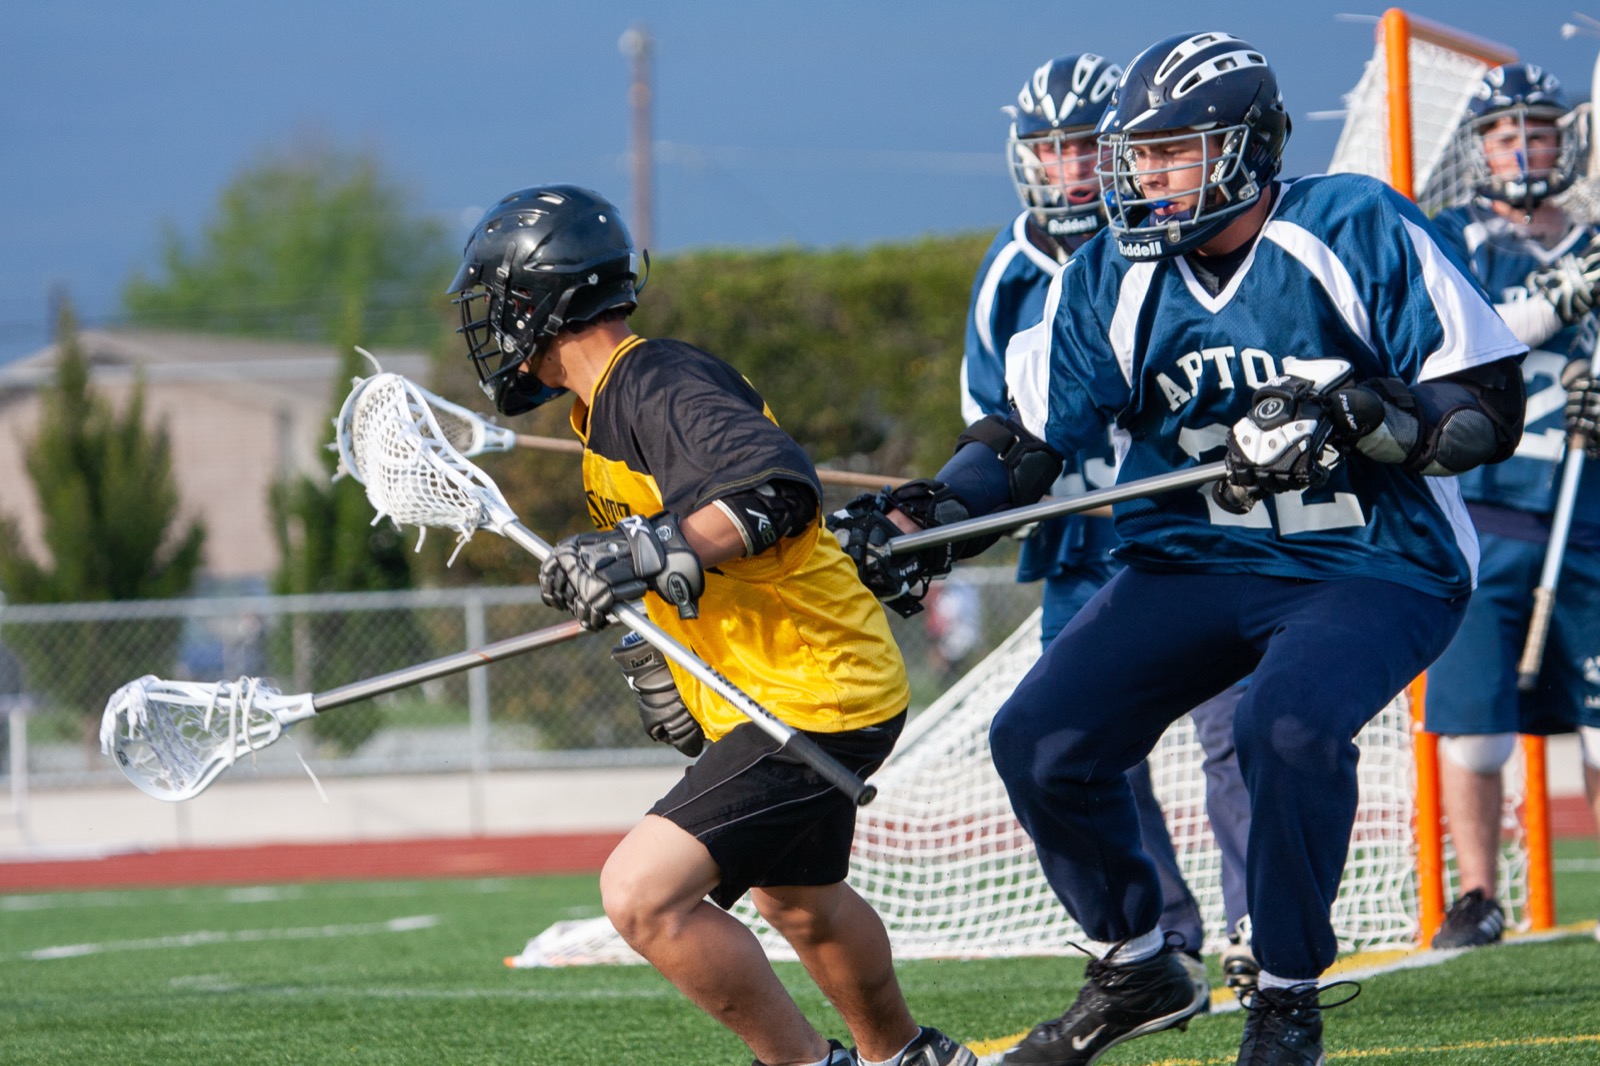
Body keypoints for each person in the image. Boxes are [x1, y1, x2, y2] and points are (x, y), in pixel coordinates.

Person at [830, 31, 1526, 1066]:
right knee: (1041, 737)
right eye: (1136, 157)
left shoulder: (1350, 225)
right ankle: (1136, 961)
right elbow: (1022, 441)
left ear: (1244, 149)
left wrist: (1361, 413)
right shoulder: (1114, 269)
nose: (1141, 179)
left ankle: (1286, 993)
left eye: (1169, 153)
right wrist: (927, 515)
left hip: (1374, 561)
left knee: (1282, 727)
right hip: (1195, 561)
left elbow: (1484, 408)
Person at [447, 184, 975, 1066]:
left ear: (543, 301)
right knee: (799, 900)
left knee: (642, 897)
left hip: (815, 690)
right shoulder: (600, 410)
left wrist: (646, 549)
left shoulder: (655, 380)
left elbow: (775, 491)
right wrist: (662, 642)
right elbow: (691, 555)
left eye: (497, 305)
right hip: (784, 686)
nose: (490, 330)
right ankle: (907, 1057)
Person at [961, 50, 1254, 988]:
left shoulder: (1162, 239)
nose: (1071, 169)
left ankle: (1257, 924)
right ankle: (1163, 930)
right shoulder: (1007, 269)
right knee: (1091, 744)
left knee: (1232, 728)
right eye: (1051, 152)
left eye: (1087, 148)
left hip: (1189, 522)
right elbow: (994, 416)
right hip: (1076, 540)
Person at [1422, 62, 1600, 950]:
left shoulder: (1594, 240)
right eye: (1505, 133)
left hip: (1587, 507)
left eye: (1538, 130)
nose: (1523, 146)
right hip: (1482, 508)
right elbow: (1461, 336)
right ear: (1480, 147)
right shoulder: (1450, 235)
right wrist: (1563, 298)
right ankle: (1479, 896)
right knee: (1478, 734)